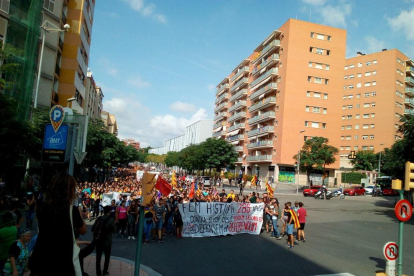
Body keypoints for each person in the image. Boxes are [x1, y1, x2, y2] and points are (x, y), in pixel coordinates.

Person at [29, 172, 87, 275]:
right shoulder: (71, 210)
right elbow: (83, 230)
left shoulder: (42, 207)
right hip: (62, 258)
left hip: (41, 256)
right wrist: (80, 213)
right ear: (69, 191)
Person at [92, 206, 116, 276]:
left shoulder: (99, 218)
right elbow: (114, 230)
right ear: (109, 211)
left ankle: (98, 273)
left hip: (98, 240)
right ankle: (105, 271)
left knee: (98, 258)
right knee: (107, 257)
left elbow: (93, 228)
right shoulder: (111, 219)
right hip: (107, 241)